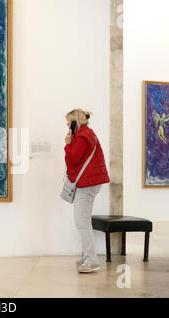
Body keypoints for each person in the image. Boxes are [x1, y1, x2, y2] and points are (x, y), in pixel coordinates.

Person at [64, 108, 110, 273]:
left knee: (81, 222)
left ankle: (91, 261)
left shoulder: (82, 137)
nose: (67, 125)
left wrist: (68, 144)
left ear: (75, 122)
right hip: (91, 182)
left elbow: (74, 159)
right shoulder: (87, 134)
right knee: (84, 221)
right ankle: (86, 258)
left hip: (87, 184)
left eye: (69, 122)